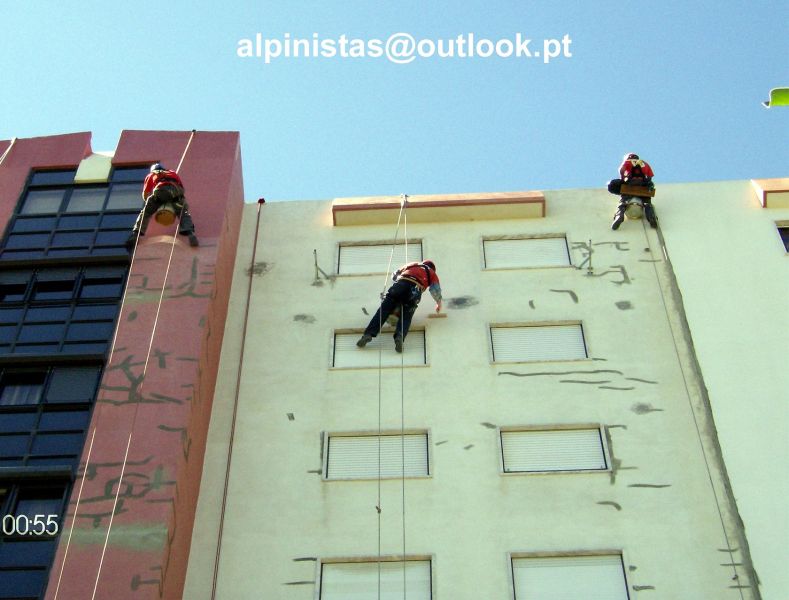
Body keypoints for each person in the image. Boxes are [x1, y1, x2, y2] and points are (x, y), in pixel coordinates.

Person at [357, 260, 442, 353]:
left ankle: (368, 335)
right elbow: (435, 290)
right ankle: (399, 336)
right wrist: (438, 303)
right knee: (406, 317)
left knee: (383, 311)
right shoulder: (432, 273)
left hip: (401, 284)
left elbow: (395, 274)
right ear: (433, 268)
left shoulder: (413, 264)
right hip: (415, 290)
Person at [126, 163, 198, 249]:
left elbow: (145, 193)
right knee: (184, 213)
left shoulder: (152, 174)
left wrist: (152, 205)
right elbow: (182, 188)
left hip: (161, 191)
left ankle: (135, 234)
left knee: (146, 212)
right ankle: (190, 233)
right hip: (177, 193)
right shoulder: (172, 172)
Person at [611, 153, 657, 230]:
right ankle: (651, 218)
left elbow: (622, 171)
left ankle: (619, 216)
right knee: (647, 203)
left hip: (630, 185)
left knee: (623, 202)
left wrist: (623, 180)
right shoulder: (644, 163)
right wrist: (649, 185)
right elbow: (649, 176)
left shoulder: (627, 162)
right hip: (643, 186)